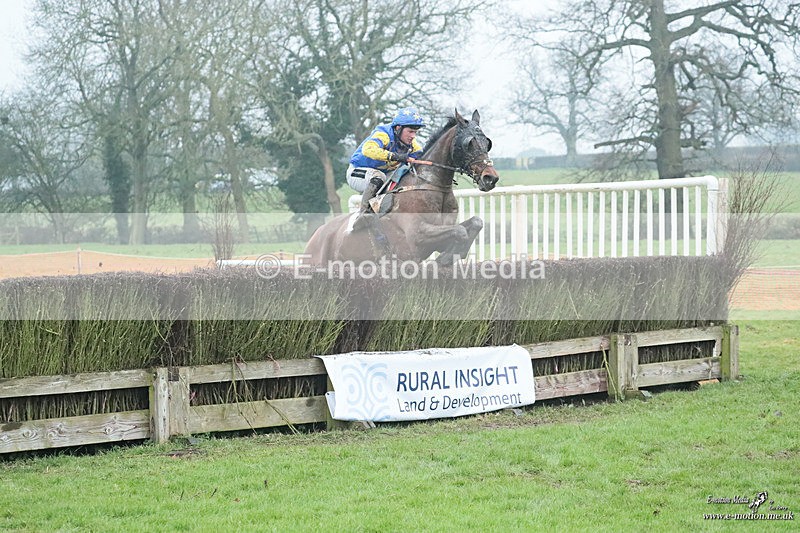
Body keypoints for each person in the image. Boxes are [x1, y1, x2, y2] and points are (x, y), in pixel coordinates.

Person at [347, 107, 425, 227]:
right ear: (398, 128)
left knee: (401, 181)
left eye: (415, 132)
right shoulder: (383, 134)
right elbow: (368, 149)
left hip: (383, 174)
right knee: (379, 177)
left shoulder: (411, 143)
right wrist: (395, 156)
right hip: (357, 171)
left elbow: (421, 154)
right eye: (410, 131)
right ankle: (363, 215)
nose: (413, 136)